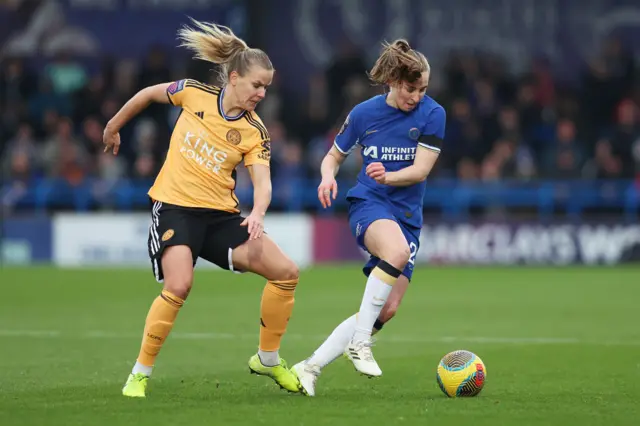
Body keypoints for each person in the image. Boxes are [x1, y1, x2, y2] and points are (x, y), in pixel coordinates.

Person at [103, 20, 302, 398]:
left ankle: (268, 358)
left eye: (266, 87)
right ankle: (139, 374)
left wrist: (257, 212)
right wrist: (114, 126)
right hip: (176, 208)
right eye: (257, 85)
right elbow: (147, 94)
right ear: (234, 77)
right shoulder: (193, 93)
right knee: (180, 284)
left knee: (286, 273)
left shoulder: (254, 130)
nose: (262, 93)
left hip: (219, 217)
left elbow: (263, 182)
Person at [291, 39, 446, 396]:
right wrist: (327, 175)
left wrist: (388, 175)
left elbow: (421, 170)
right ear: (392, 80)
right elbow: (332, 156)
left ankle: (309, 367)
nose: (417, 96)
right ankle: (360, 343)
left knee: (387, 308)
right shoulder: (364, 114)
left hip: (407, 216)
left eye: (423, 89)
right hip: (369, 203)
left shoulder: (433, 114)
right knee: (395, 253)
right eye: (411, 88)